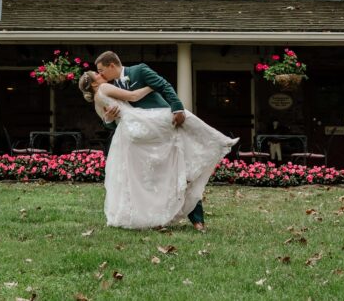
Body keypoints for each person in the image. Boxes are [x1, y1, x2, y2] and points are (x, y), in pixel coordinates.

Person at [78, 51, 236, 231]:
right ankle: (156, 217)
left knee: (182, 168)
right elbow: (121, 115)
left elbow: (164, 85)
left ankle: (197, 218)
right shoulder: (109, 87)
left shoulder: (139, 71)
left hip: (162, 127)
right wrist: (108, 120)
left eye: (101, 70)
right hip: (142, 136)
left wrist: (177, 108)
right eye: (97, 73)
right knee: (152, 179)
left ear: (112, 65)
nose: (100, 74)